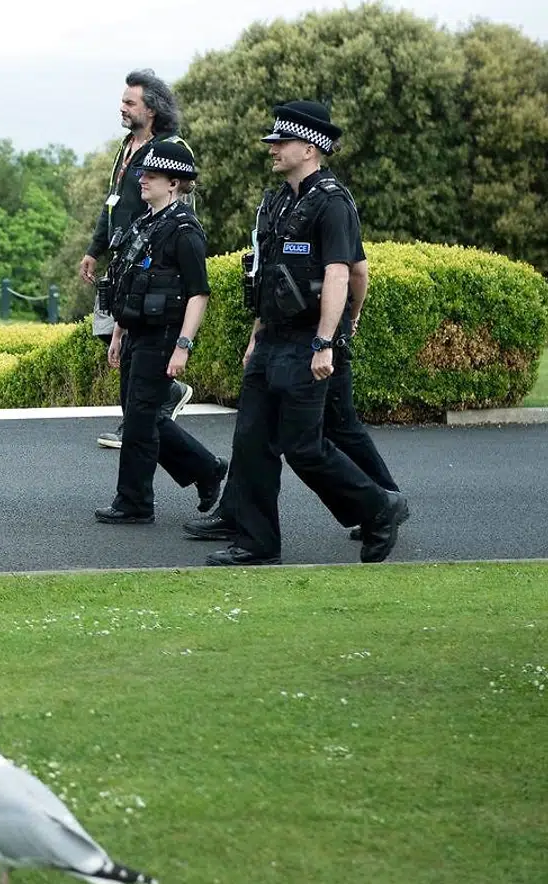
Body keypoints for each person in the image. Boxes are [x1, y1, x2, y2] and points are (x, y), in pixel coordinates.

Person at [205, 101, 408, 566]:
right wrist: (256, 335)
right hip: (271, 338)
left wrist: (327, 340)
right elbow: (270, 278)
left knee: (303, 447)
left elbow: (344, 272)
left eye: (282, 142)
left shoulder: (332, 203)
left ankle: (380, 508)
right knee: (252, 443)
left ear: (310, 149)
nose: (272, 149)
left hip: (306, 341)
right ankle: (257, 543)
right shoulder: (278, 201)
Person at [184, 259, 406, 543]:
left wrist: (344, 324)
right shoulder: (273, 227)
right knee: (254, 435)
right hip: (282, 339)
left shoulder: (329, 227)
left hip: (317, 344)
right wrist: (256, 338)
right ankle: (239, 516)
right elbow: (271, 284)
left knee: (329, 434)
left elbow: (356, 272)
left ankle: (383, 503)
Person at [93, 142, 228, 525]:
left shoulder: (184, 230)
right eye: (142, 174)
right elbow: (129, 284)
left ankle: (134, 503)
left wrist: (183, 345)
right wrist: (118, 332)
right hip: (136, 334)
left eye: (151, 175)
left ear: (174, 183)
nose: (143, 180)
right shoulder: (144, 225)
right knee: (142, 414)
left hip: (163, 336)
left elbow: (198, 293)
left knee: (140, 420)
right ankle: (207, 468)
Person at [77, 69, 195, 450]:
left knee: (134, 345)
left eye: (130, 102)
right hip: (122, 258)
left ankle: (135, 421)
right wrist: (94, 250)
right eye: (123, 101)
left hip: (150, 262)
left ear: (152, 109)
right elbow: (111, 203)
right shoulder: (126, 146)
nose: (123, 107)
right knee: (109, 331)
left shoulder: (170, 148)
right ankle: (168, 394)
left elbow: (182, 208)